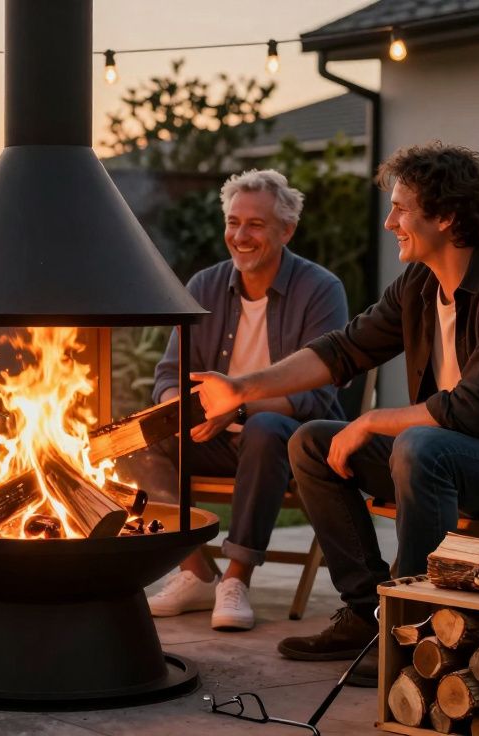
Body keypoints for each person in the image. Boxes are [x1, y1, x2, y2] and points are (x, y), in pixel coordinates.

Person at [193, 143, 479, 681]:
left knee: (418, 444)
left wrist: (372, 421)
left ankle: (413, 629)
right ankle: (368, 614)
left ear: (446, 217)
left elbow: (471, 411)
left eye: (401, 209)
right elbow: (341, 351)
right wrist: (241, 388)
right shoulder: (420, 285)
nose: (390, 222)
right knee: (310, 441)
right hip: (452, 455)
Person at [135, 169, 348, 632]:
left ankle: (236, 578)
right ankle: (195, 571)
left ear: (286, 230)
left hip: (289, 441)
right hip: (210, 434)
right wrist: (176, 411)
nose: (240, 235)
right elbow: (168, 375)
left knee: (263, 428)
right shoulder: (204, 287)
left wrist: (241, 407)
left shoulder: (321, 289)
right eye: (233, 222)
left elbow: (316, 396)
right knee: (136, 440)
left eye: (255, 224)